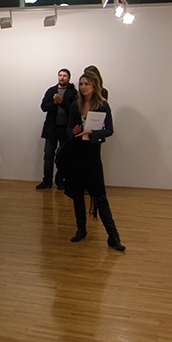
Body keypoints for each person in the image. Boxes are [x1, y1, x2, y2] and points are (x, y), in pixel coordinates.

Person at [64, 72, 125, 251]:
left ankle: (113, 236)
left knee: (100, 196)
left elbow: (109, 130)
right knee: (77, 194)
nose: (83, 87)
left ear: (94, 86)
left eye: (87, 84)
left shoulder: (102, 105)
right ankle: (81, 229)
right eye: (81, 84)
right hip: (76, 154)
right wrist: (73, 131)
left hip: (92, 154)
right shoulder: (75, 105)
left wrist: (93, 133)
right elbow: (68, 128)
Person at [37, 68, 78, 190]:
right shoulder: (51, 90)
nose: (62, 77)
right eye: (60, 75)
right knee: (48, 155)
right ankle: (47, 181)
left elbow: (75, 109)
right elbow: (43, 107)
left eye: (64, 75)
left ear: (69, 78)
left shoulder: (73, 92)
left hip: (66, 129)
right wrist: (54, 103)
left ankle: (60, 181)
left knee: (63, 156)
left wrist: (61, 102)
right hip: (52, 129)